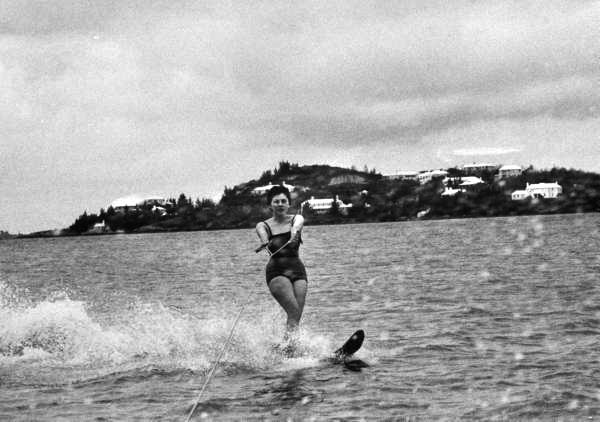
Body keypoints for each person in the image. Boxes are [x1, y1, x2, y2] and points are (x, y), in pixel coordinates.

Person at [256, 185, 307, 345]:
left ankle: (289, 348)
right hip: (276, 271)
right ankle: (291, 349)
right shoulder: (263, 225)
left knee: (296, 315)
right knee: (293, 311)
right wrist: (265, 242)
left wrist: (294, 232)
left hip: (298, 270)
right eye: (276, 201)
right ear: (270, 205)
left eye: (283, 201)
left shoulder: (296, 219)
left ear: (289, 203)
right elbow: (262, 233)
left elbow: (298, 224)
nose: (280, 204)